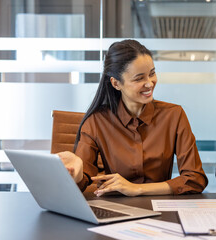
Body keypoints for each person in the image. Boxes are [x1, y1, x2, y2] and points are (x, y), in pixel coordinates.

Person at [58, 39, 207, 197]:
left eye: (152, 74)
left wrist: (137, 189)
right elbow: (83, 180)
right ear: (116, 84)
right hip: (117, 211)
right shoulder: (96, 121)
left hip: (159, 209)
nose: (149, 84)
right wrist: (76, 172)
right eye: (139, 78)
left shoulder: (174, 115)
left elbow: (195, 178)